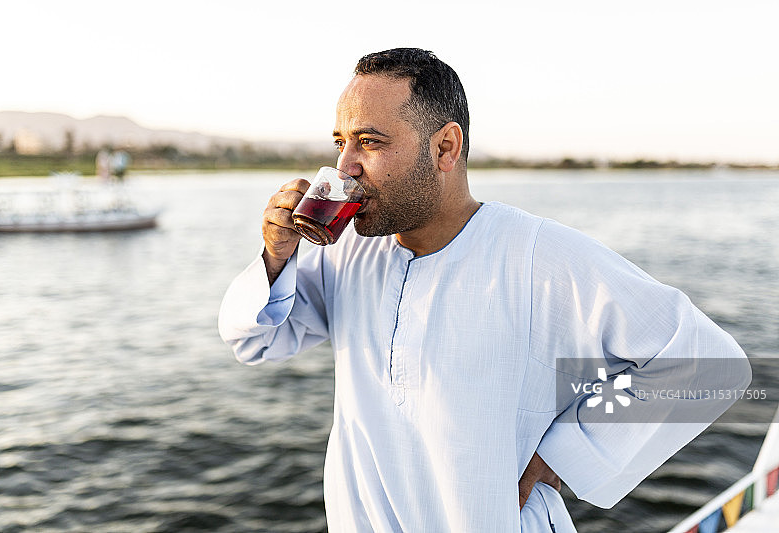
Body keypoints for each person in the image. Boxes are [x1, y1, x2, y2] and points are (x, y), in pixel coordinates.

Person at [218, 48, 751, 531]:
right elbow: (256, 341)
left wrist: (566, 452)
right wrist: (276, 257)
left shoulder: (540, 256)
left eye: (370, 142)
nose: (344, 167)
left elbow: (706, 364)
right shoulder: (349, 252)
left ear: (445, 147)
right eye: (341, 143)